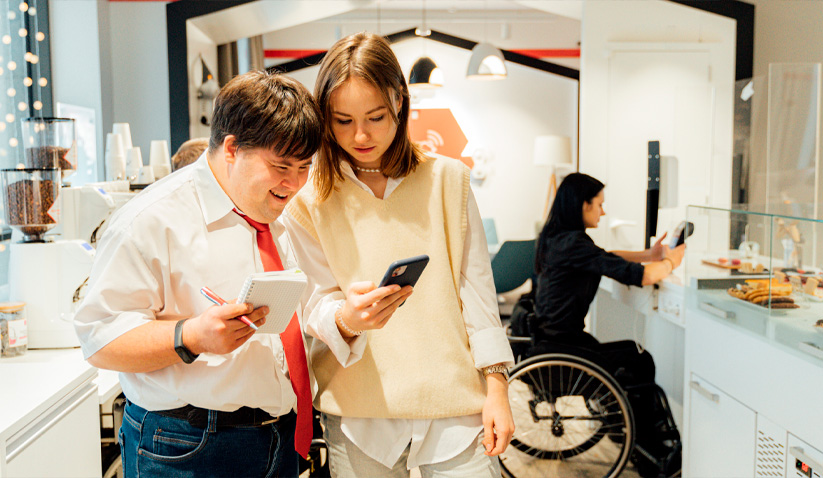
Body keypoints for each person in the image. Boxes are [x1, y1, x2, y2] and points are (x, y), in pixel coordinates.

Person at [284, 32, 514, 478]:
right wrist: (349, 318)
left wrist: (498, 388)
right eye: (343, 120)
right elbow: (314, 303)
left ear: (400, 103)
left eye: (375, 116)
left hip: (455, 409)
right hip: (359, 414)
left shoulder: (449, 181)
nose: (362, 135)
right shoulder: (309, 199)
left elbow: (478, 295)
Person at [74, 70, 322, 478]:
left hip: (278, 439)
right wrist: (190, 336)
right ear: (231, 148)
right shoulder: (150, 220)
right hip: (188, 446)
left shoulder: (275, 210)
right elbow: (100, 339)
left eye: (304, 167)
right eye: (281, 166)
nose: (294, 183)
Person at [531, 171, 684, 476]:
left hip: (548, 339)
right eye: (599, 204)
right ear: (582, 206)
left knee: (631, 354)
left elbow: (603, 256)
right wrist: (672, 261)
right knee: (638, 360)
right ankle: (649, 446)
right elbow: (644, 277)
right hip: (566, 348)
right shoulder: (575, 243)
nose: (603, 211)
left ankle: (634, 436)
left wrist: (648, 254)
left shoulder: (556, 238)